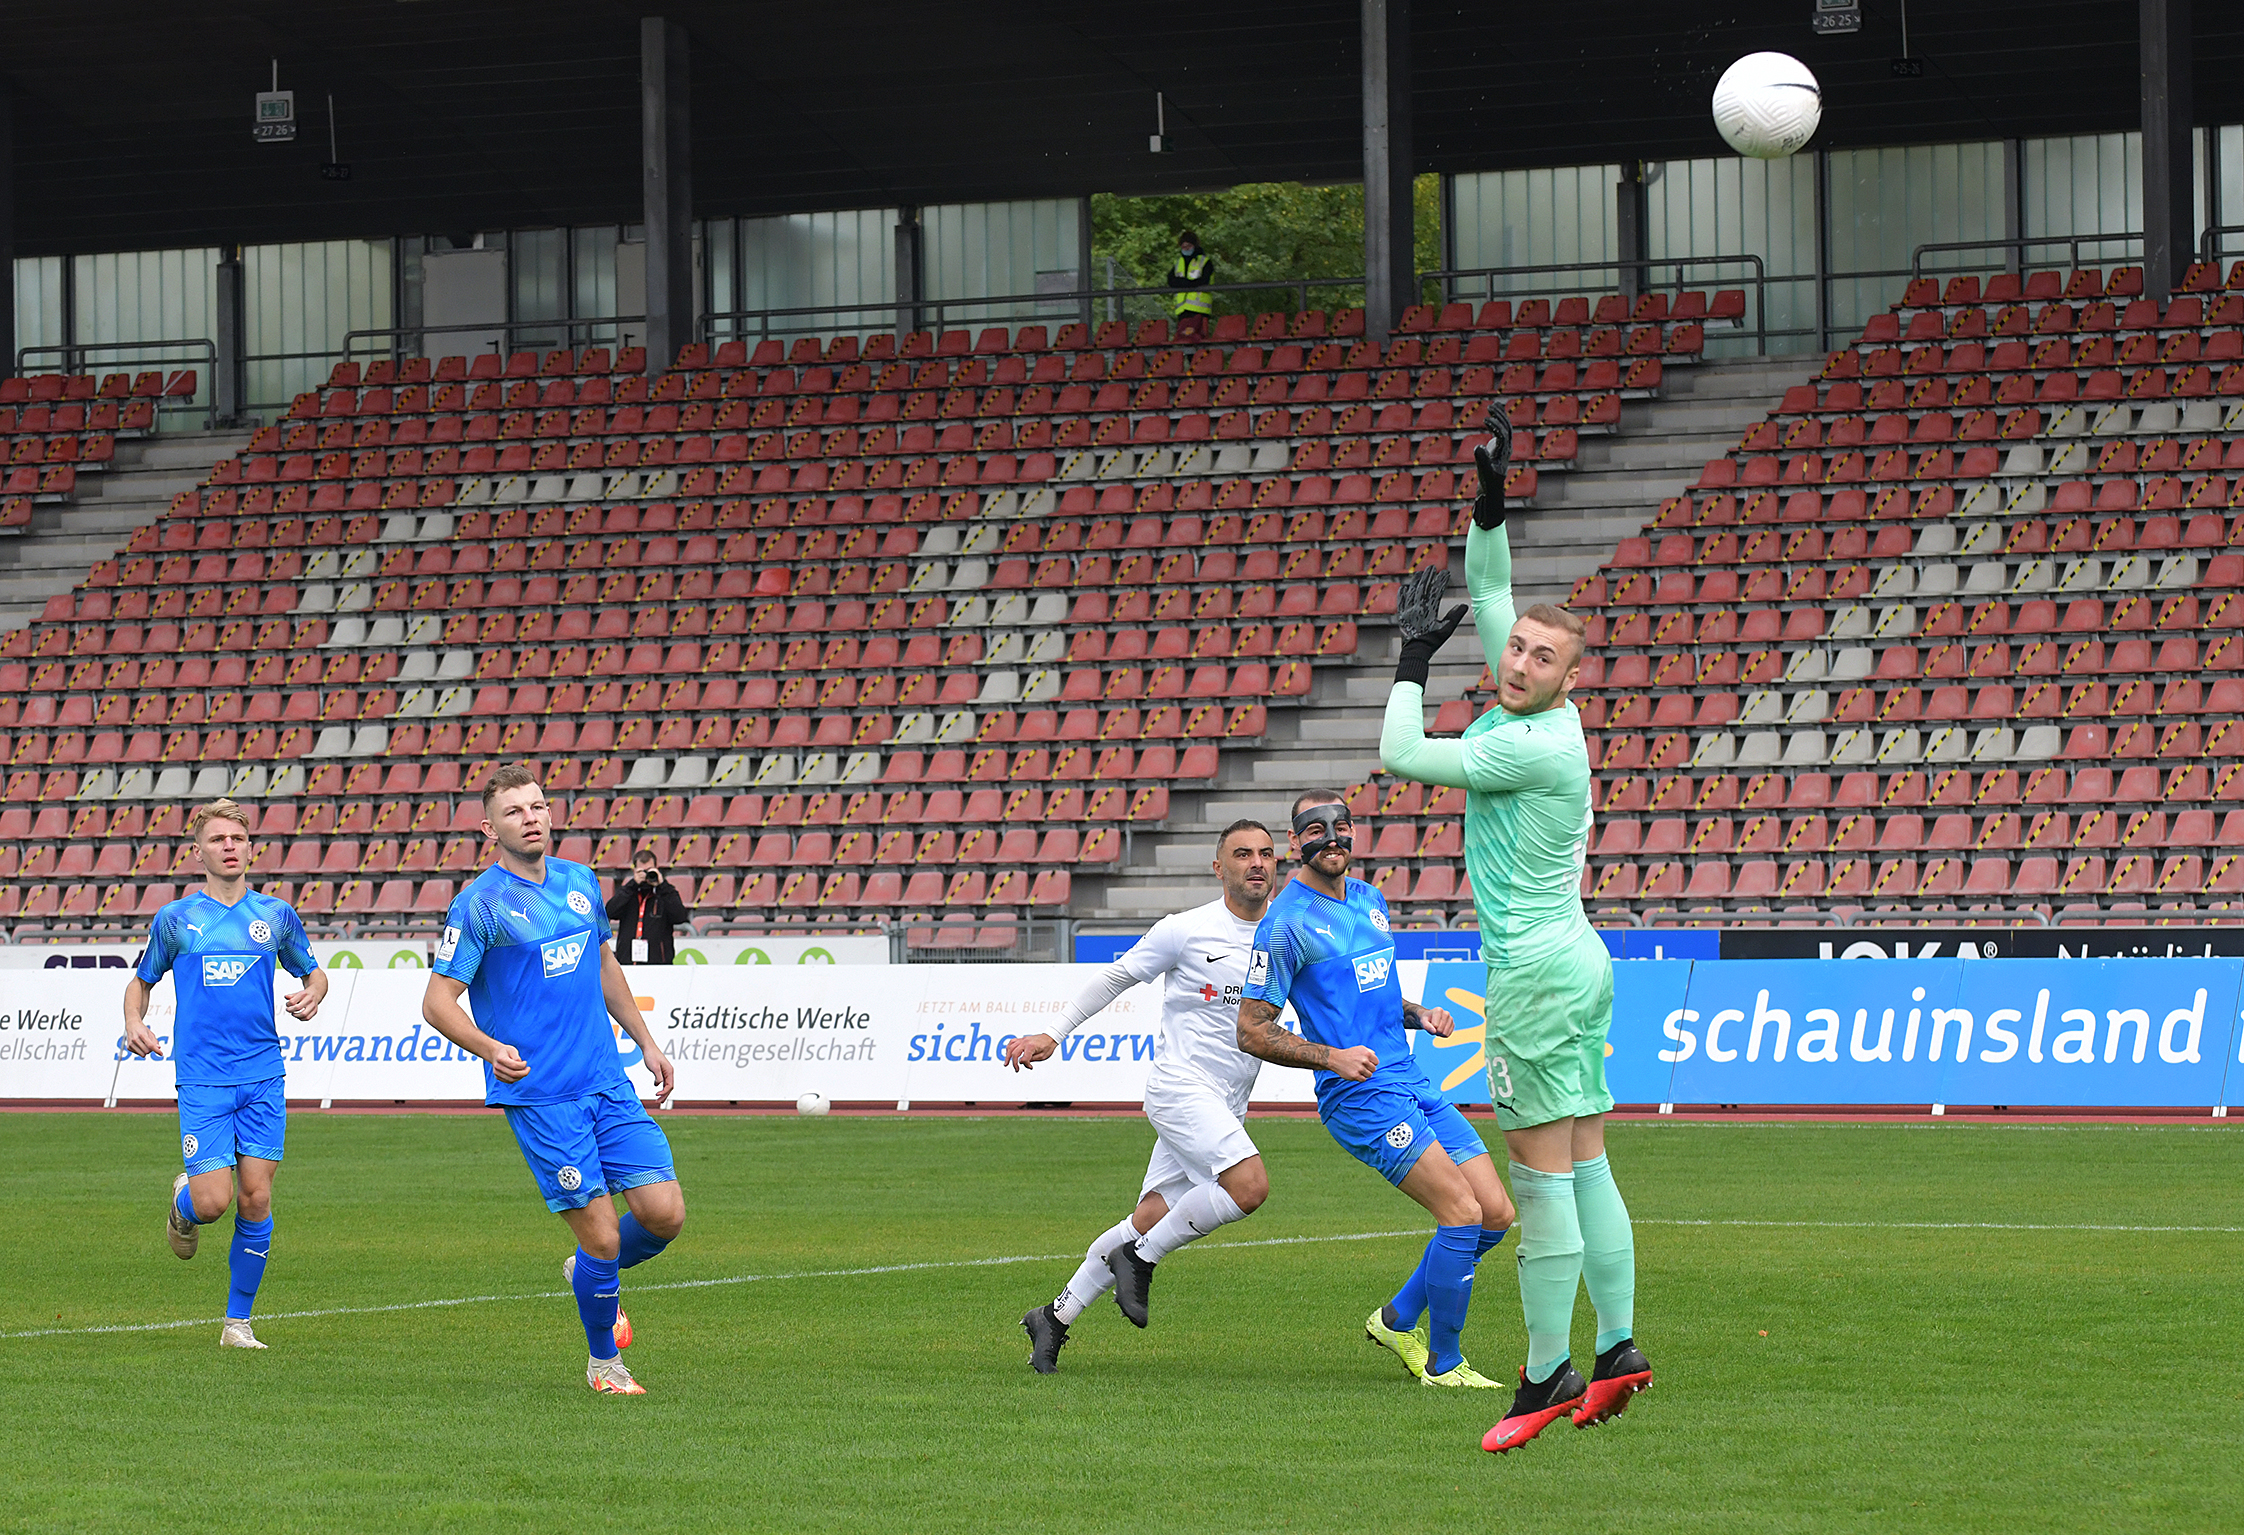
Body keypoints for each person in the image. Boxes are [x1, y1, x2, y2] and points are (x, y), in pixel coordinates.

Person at [1377, 416, 1651, 1452]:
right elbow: (1492, 591)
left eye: (1542, 655)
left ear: (1571, 679)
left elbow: (1402, 752)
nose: (1520, 659)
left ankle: (1541, 1375)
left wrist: (1409, 654)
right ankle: (1619, 1346)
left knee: (1538, 1185)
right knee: (1586, 1163)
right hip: (1577, 958)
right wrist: (1490, 497)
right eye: (1521, 649)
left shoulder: (1525, 746)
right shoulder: (1539, 705)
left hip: (1535, 975)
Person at [1235, 792, 1515, 1389]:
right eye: (1315, 830)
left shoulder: (1369, 898)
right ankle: (1444, 1363)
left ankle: (1397, 1318)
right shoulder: (1284, 925)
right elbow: (1252, 1030)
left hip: (1408, 1076)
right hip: (1359, 1097)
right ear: (1295, 843)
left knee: (1495, 1214)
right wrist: (1331, 1056)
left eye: (1341, 827)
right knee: (1461, 1214)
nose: (1331, 838)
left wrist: (1419, 1013)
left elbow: (1377, 996)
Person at [421, 764, 685, 1397]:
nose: (531, 817)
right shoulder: (480, 905)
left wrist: (645, 1041)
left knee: (664, 1215)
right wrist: (489, 1048)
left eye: (537, 806)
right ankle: (604, 1364)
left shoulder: (580, 881)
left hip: (606, 1082)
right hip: (543, 1097)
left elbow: (602, 964)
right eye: (515, 811)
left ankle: (588, 1275)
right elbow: (437, 1002)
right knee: (599, 1234)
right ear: (490, 828)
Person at [1005, 820, 1279, 1373]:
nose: (1257, 863)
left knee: (1151, 1214)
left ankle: (1053, 1318)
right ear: (1217, 867)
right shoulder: (1186, 929)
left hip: (1225, 1102)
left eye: (1267, 854)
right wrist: (1053, 1034)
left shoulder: (1286, 936)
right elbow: (1115, 978)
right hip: (1180, 1088)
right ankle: (1140, 1260)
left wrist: (1407, 1020)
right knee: (1248, 1187)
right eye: (1243, 854)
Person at [122, 798, 327, 1350]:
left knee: (256, 1199)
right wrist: (134, 1020)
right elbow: (141, 980)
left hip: (262, 1075)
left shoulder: (275, 915)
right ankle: (182, 1204)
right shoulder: (177, 919)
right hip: (203, 1077)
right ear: (199, 852)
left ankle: (237, 1323)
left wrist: (311, 993)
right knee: (213, 1202)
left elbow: (314, 972)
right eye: (217, 840)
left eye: (236, 838)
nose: (229, 847)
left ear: (249, 847)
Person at [607, 847, 690, 966]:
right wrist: (632, 885)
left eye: (649, 870)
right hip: (628, 961)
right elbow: (610, 911)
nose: (645, 876)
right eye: (641, 871)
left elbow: (680, 916)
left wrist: (662, 886)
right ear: (634, 871)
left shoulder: (665, 893)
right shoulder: (628, 893)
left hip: (658, 964)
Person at [1168, 230, 1214, 340]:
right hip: (1182, 311)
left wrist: (1185, 283)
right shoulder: (1178, 262)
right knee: (1184, 340)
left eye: (1188, 246)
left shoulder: (1204, 262)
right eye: (1183, 247)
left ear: (1194, 246)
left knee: (1198, 340)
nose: (1186, 249)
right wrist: (1186, 283)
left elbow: (1204, 280)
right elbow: (1170, 280)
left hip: (1200, 310)